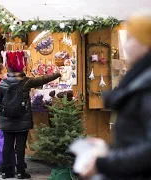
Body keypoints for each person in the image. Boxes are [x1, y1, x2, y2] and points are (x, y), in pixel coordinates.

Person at [80, 10, 151, 180]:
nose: (126, 45)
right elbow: (137, 136)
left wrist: (103, 162)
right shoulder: (139, 77)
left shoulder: (146, 84)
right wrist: (108, 149)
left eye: (131, 38)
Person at [0, 61, 61, 179]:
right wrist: (57, 74)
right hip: (22, 119)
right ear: (20, 70)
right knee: (20, 146)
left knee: (7, 145)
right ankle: (20, 172)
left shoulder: (2, 84)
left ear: (8, 71)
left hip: (6, 119)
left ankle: (6, 171)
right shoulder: (26, 82)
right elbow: (43, 79)